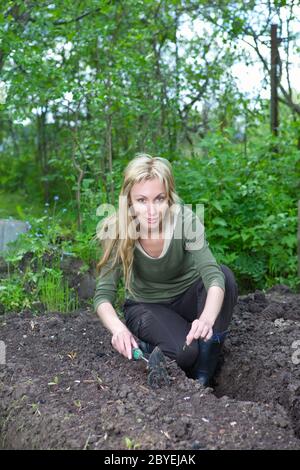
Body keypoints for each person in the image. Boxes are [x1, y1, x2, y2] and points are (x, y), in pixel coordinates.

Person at [94, 153, 238, 387]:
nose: (151, 210)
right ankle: (150, 346)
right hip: (146, 307)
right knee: (184, 353)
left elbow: (213, 276)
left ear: (169, 198)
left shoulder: (185, 221)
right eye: (142, 200)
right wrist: (118, 330)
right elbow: (103, 296)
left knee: (226, 277)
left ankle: (204, 376)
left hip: (188, 298)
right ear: (129, 200)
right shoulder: (118, 229)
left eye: (159, 199)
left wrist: (206, 319)